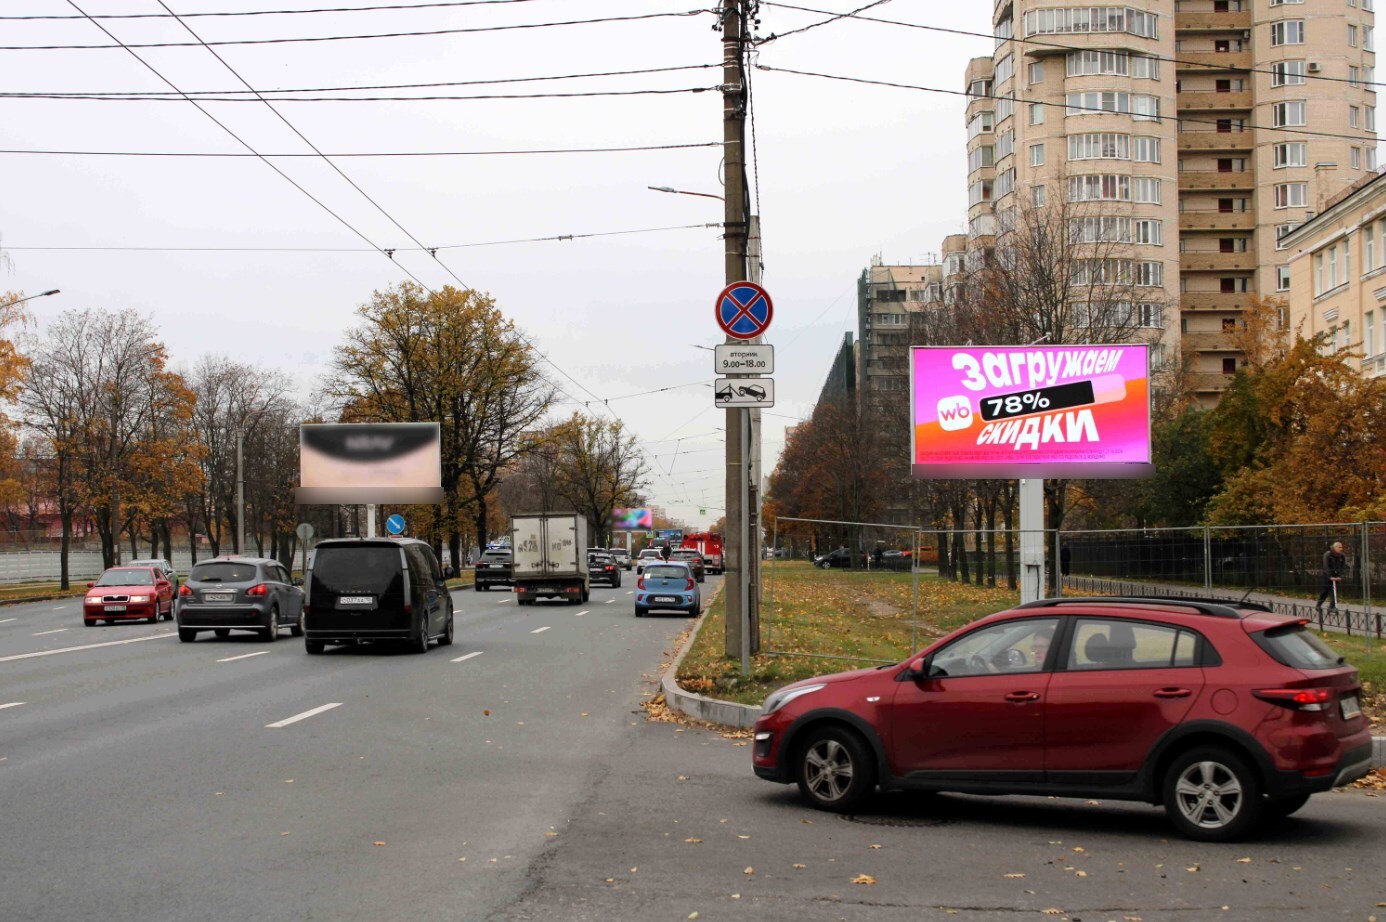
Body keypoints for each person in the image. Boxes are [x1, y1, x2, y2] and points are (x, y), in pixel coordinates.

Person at [1317, 541, 1347, 611]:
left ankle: (1332, 607)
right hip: (1327, 576)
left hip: (1336, 576)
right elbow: (1326, 566)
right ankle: (1318, 605)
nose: (1341, 549)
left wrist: (1340, 576)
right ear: (1335, 547)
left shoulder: (1342, 556)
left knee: (1333, 591)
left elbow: (1343, 567)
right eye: (1339, 547)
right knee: (1325, 591)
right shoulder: (1328, 555)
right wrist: (1330, 576)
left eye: (1341, 547)